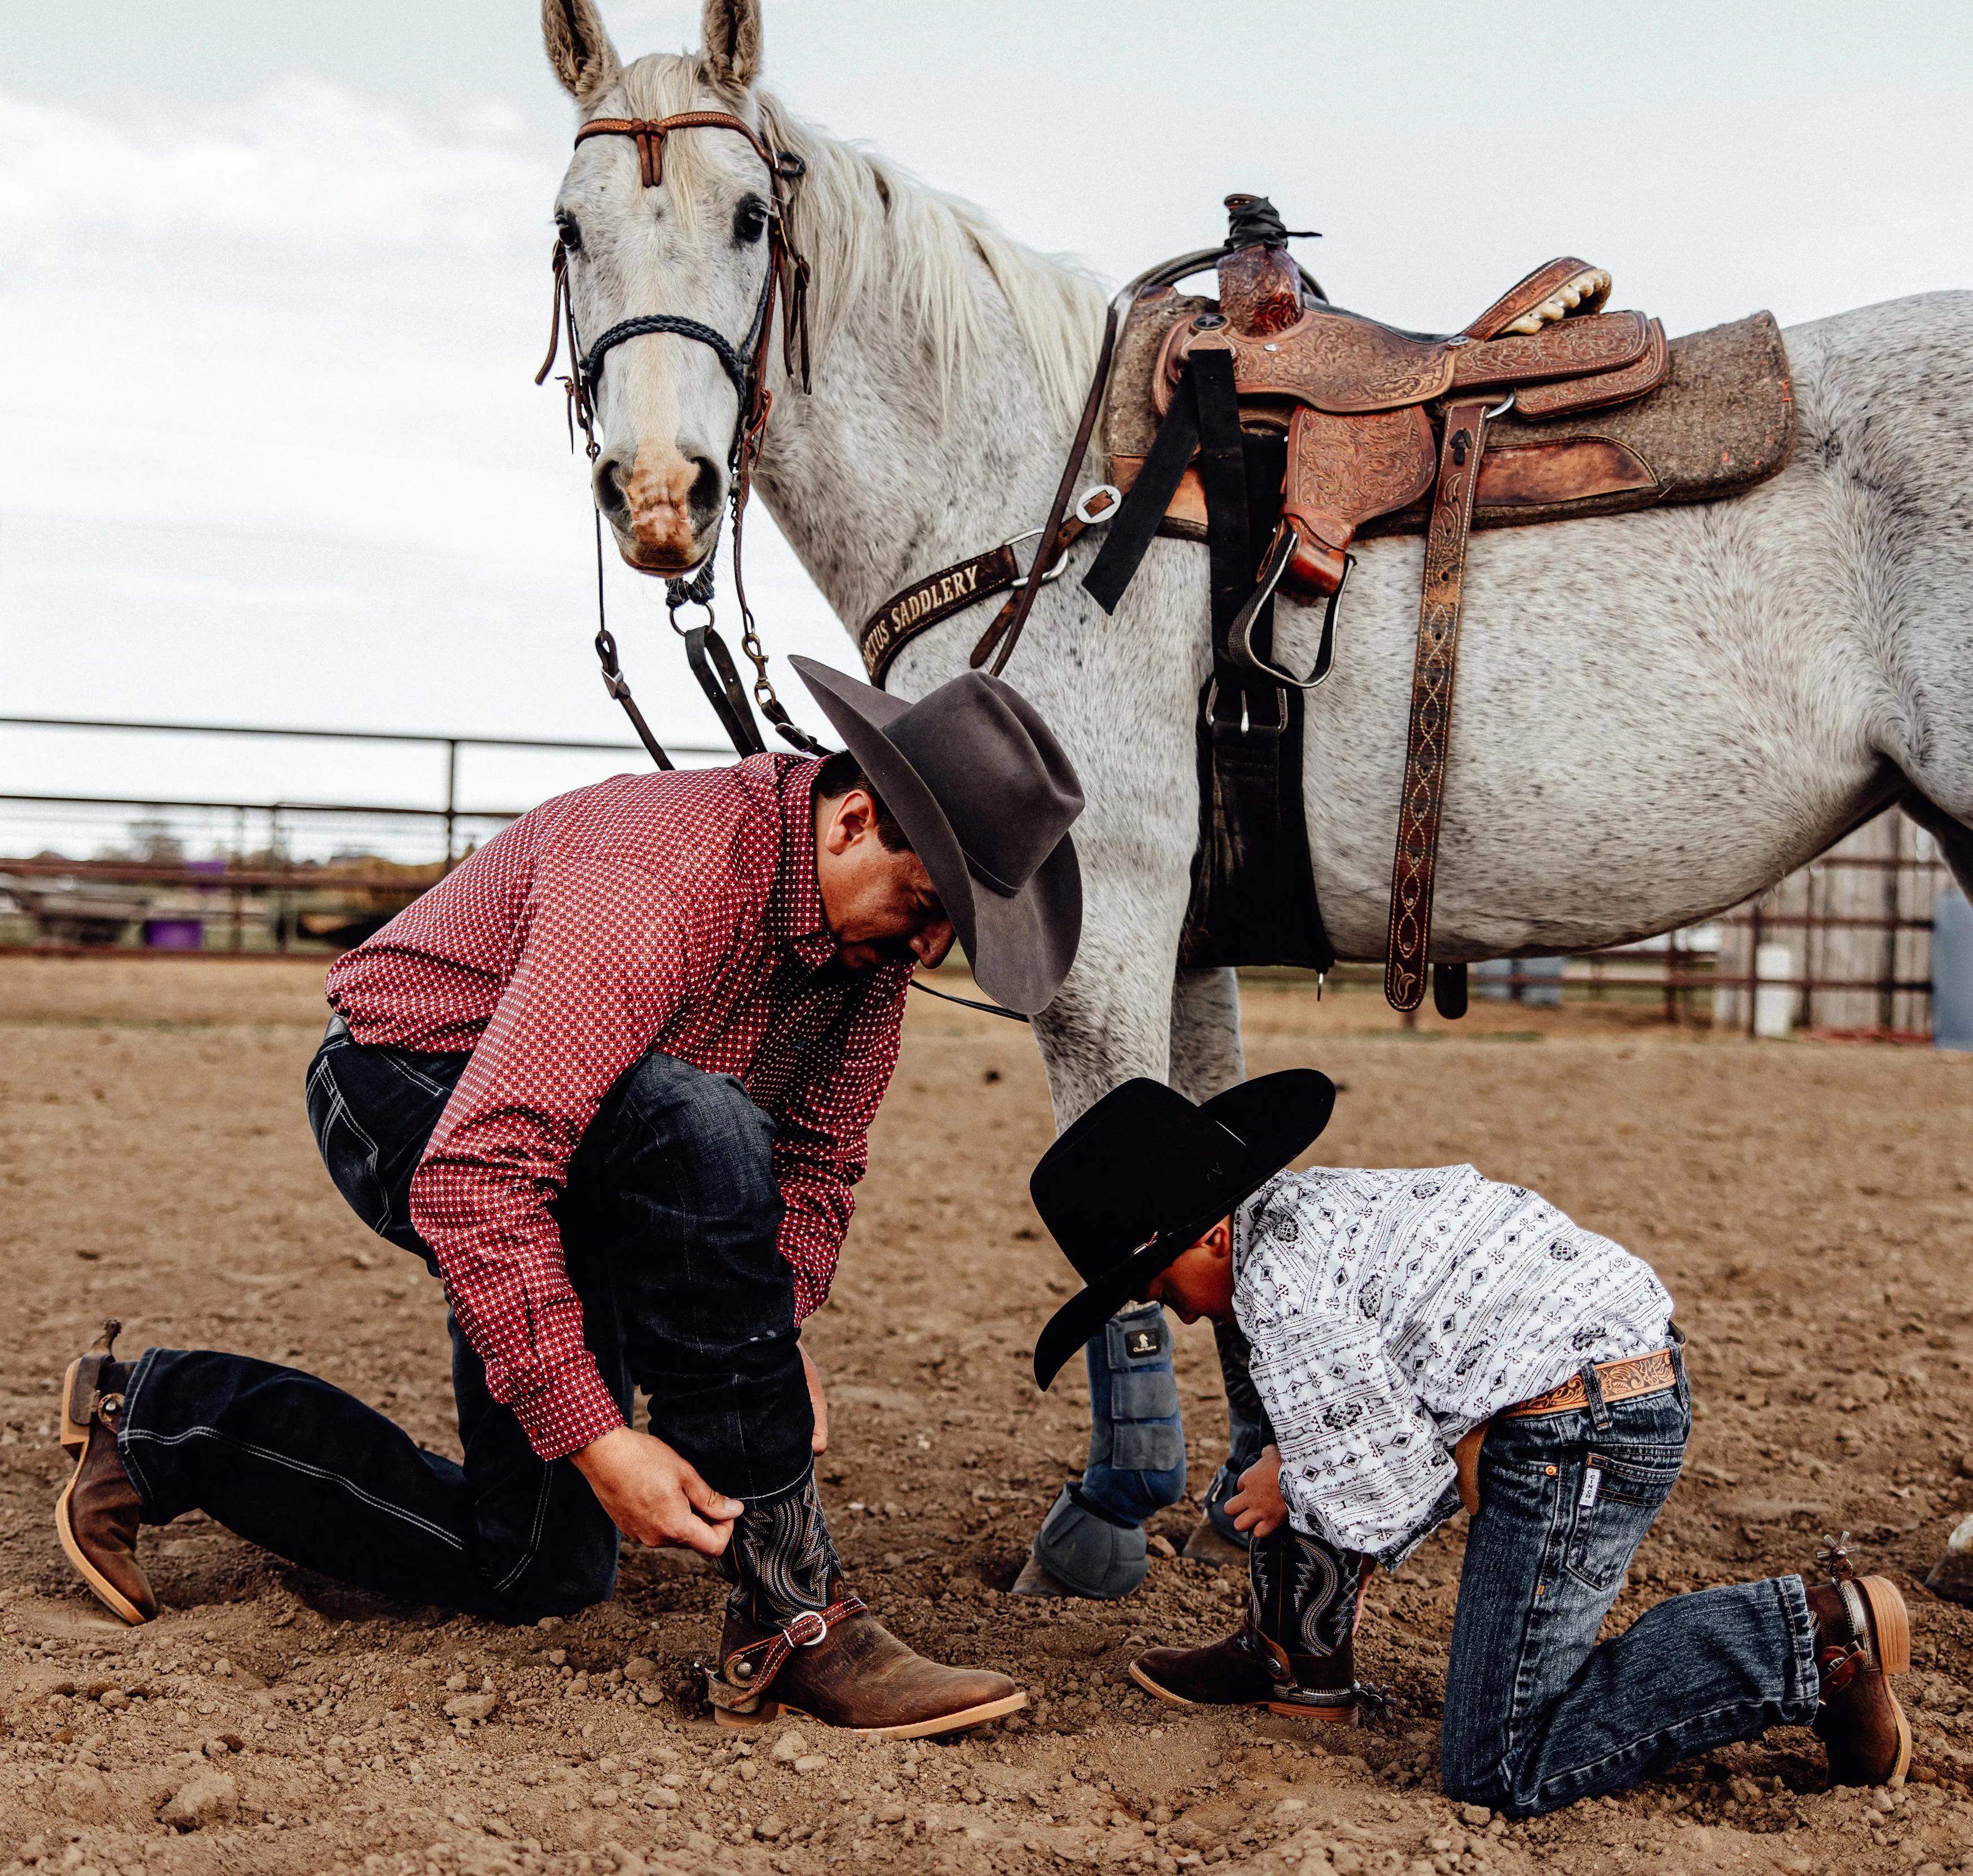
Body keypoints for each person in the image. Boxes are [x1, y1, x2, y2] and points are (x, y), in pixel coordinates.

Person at [52, 660, 1084, 1740]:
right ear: (856, 821)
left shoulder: (862, 955)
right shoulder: (660, 876)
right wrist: (599, 1438)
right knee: (701, 1118)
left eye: (949, 934)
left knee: (536, 1563)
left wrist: (761, 1330)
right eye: (927, 906)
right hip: (412, 1085)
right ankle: (795, 1615)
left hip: (592, 1131)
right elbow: (481, 1173)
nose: (926, 951)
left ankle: (165, 1422)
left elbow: (820, 1166)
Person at [1024, 1072, 1914, 1815]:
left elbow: (1381, 1487)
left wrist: (1295, 1479)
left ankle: (1808, 1639)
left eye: (1151, 1275)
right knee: (1297, 1441)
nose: (1162, 1303)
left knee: (1499, 1768)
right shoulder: (1315, 1209)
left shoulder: (1280, 1297)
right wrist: (1305, 1456)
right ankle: (1293, 1659)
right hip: (1615, 1380)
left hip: (1576, 1432)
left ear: (1208, 1232)